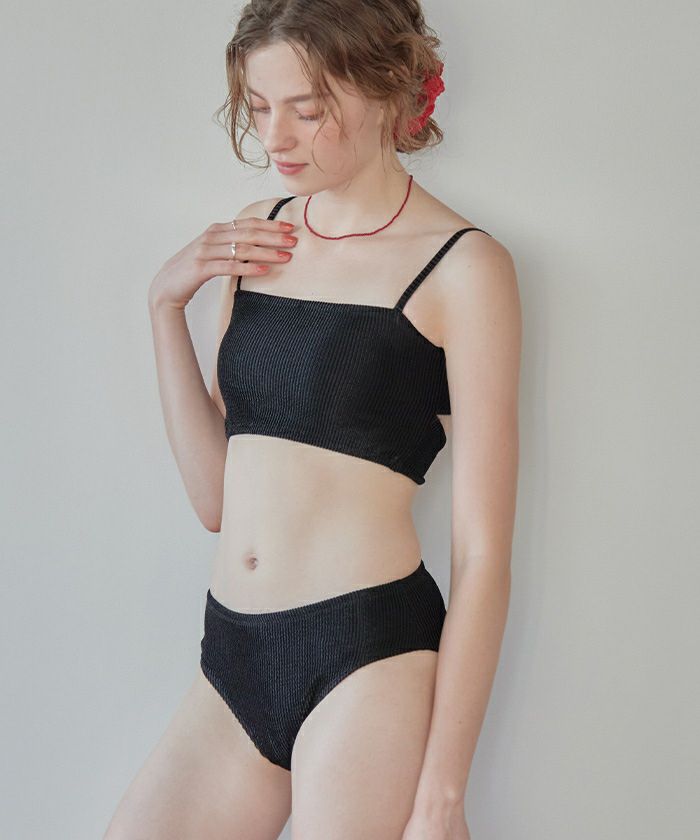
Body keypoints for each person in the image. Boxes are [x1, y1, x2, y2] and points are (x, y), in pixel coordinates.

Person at [105, 1, 521, 838]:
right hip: (231, 657)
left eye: (307, 108)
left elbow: (481, 554)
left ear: (388, 89)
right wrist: (163, 305)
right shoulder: (260, 238)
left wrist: (442, 796)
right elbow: (217, 500)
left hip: (365, 656)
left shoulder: (464, 268)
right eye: (260, 107)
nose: (276, 138)